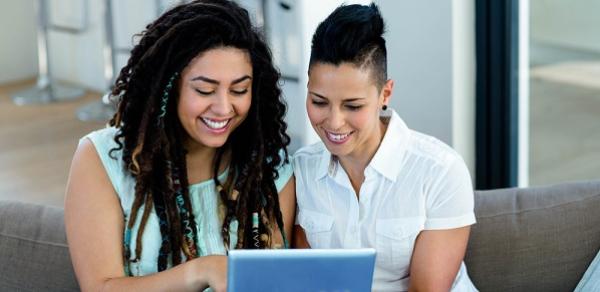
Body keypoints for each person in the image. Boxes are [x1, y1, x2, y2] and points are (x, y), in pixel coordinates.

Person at [64, 1, 295, 291]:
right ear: (168, 88)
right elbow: (99, 287)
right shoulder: (100, 158)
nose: (224, 108)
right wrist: (201, 270)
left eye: (239, 90)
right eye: (204, 90)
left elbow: (273, 280)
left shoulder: (269, 165)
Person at [292, 3, 478, 291]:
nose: (334, 122)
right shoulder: (301, 171)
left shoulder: (440, 171)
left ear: (385, 94)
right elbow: (304, 279)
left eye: (352, 106)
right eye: (319, 101)